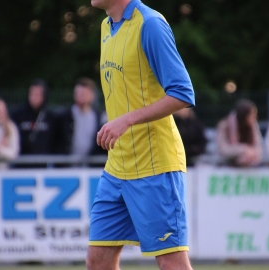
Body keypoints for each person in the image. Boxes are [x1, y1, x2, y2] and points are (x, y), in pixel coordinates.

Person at [87, 0, 195, 269]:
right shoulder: (105, 27)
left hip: (154, 166)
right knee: (97, 262)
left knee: (172, 263)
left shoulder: (151, 24)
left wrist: (127, 120)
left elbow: (182, 93)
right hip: (117, 167)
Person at [57, 77, 106, 157]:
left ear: (92, 95)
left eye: (84, 94)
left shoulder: (100, 117)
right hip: (66, 165)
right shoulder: (65, 116)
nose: (80, 96)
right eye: (78, 93)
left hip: (91, 166)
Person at [10, 79, 56, 155]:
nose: (34, 97)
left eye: (38, 94)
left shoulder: (50, 117)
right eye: (32, 94)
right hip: (22, 161)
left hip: (44, 161)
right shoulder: (17, 115)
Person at [216, 99, 262, 167]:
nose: (255, 117)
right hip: (226, 166)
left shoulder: (254, 126)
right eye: (252, 114)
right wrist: (244, 149)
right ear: (244, 116)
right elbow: (223, 150)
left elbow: (259, 147)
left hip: (250, 166)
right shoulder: (225, 125)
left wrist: (252, 153)